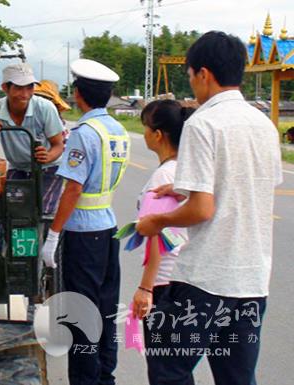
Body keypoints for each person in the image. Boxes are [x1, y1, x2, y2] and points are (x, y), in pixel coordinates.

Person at [136, 31, 282, 385]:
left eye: (189, 76)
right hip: (250, 282)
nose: (193, 84)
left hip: (204, 280)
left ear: (203, 73)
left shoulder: (203, 122)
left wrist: (157, 220)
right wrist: (183, 190)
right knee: (237, 378)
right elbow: (243, 189)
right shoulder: (264, 125)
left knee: (168, 368)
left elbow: (202, 210)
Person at [41, 59, 130, 385]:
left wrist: (53, 235)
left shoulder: (83, 133)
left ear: (78, 95)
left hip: (82, 233)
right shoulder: (118, 130)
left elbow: (73, 187)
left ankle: (85, 380)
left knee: (81, 313)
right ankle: (105, 377)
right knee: (106, 309)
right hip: (109, 228)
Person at [129, 100, 193, 380]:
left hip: (165, 283)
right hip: (185, 279)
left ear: (158, 135)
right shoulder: (188, 172)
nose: (143, 133)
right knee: (176, 369)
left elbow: (158, 235)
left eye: (145, 127)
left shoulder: (164, 175)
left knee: (164, 371)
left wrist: (145, 287)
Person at [0, 63, 65, 215]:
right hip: (18, 167)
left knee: (41, 212)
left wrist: (47, 156)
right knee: (13, 211)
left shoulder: (45, 108)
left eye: (29, 87)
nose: (25, 94)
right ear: (5, 88)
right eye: (19, 88)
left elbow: (58, 145)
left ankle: (46, 237)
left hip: (49, 167)